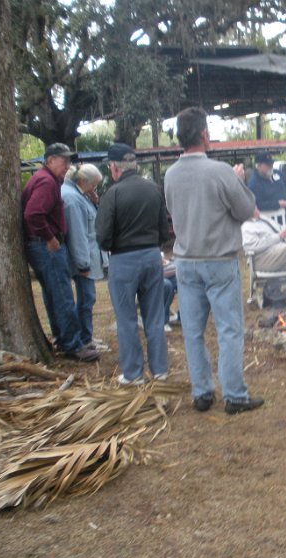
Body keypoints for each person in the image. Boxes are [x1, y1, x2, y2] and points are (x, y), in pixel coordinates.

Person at [163, 107, 263, 415]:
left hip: (185, 261)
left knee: (192, 330)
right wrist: (238, 180)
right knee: (229, 328)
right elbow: (246, 210)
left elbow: (173, 215)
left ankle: (202, 392)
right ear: (204, 134)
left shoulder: (170, 174)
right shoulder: (219, 171)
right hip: (219, 260)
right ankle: (234, 395)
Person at [96, 143, 168, 385]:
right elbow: (163, 231)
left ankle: (133, 374)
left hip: (123, 260)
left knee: (126, 319)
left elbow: (103, 237)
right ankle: (160, 370)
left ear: (114, 168)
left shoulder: (112, 194)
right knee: (155, 317)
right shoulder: (153, 189)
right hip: (151, 255)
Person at [22, 143, 98, 362]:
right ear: (49, 160)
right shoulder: (46, 181)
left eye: (69, 160)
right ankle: (73, 345)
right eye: (63, 160)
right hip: (46, 246)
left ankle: (62, 338)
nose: (67, 165)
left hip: (39, 245)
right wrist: (50, 237)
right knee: (63, 295)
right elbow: (33, 214)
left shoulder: (44, 179)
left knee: (53, 294)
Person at [62, 164, 104, 348]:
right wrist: (83, 264)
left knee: (87, 298)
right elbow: (78, 234)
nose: (94, 188)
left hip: (87, 255)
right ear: (82, 181)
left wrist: (94, 201)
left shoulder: (80, 195)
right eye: (93, 184)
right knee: (86, 298)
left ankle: (85, 336)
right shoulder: (72, 198)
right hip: (83, 259)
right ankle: (85, 338)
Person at [249, 152, 286, 234]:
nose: (271, 166)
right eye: (267, 165)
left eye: (271, 164)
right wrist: (277, 204)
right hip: (271, 222)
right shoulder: (253, 183)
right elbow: (257, 205)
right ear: (258, 166)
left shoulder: (277, 173)